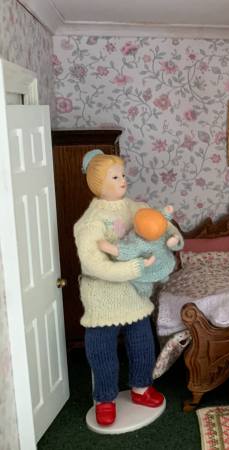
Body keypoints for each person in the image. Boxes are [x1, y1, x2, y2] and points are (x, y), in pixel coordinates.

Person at [74, 149, 183, 426]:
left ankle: (141, 387)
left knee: (142, 344)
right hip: (103, 298)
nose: (123, 180)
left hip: (135, 294)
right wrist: (133, 268)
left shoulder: (130, 205)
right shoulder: (90, 222)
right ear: (99, 184)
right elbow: (92, 264)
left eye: (122, 174)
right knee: (102, 353)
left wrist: (173, 237)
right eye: (115, 176)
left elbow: (157, 221)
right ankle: (105, 398)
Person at [98, 206, 180, 298]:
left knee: (139, 282)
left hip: (148, 270)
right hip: (163, 262)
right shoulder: (162, 233)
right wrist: (166, 212)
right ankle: (164, 278)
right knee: (163, 274)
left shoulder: (139, 244)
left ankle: (145, 293)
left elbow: (126, 252)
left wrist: (108, 248)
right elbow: (161, 219)